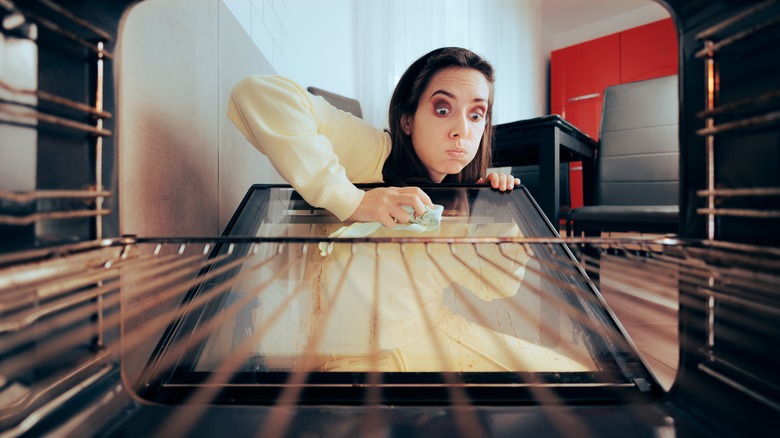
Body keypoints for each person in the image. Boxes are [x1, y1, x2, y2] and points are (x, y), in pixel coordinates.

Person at [227, 47, 590, 372]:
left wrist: (499, 212)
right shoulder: (374, 151)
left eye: (477, 114)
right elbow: (258, 93)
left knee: (573, 378)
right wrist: (353, 201)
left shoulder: (465, 194)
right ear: (407, 118)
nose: (461, 130)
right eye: (443, 109)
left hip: (429, 334)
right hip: (344, 355)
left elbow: (492, 286)